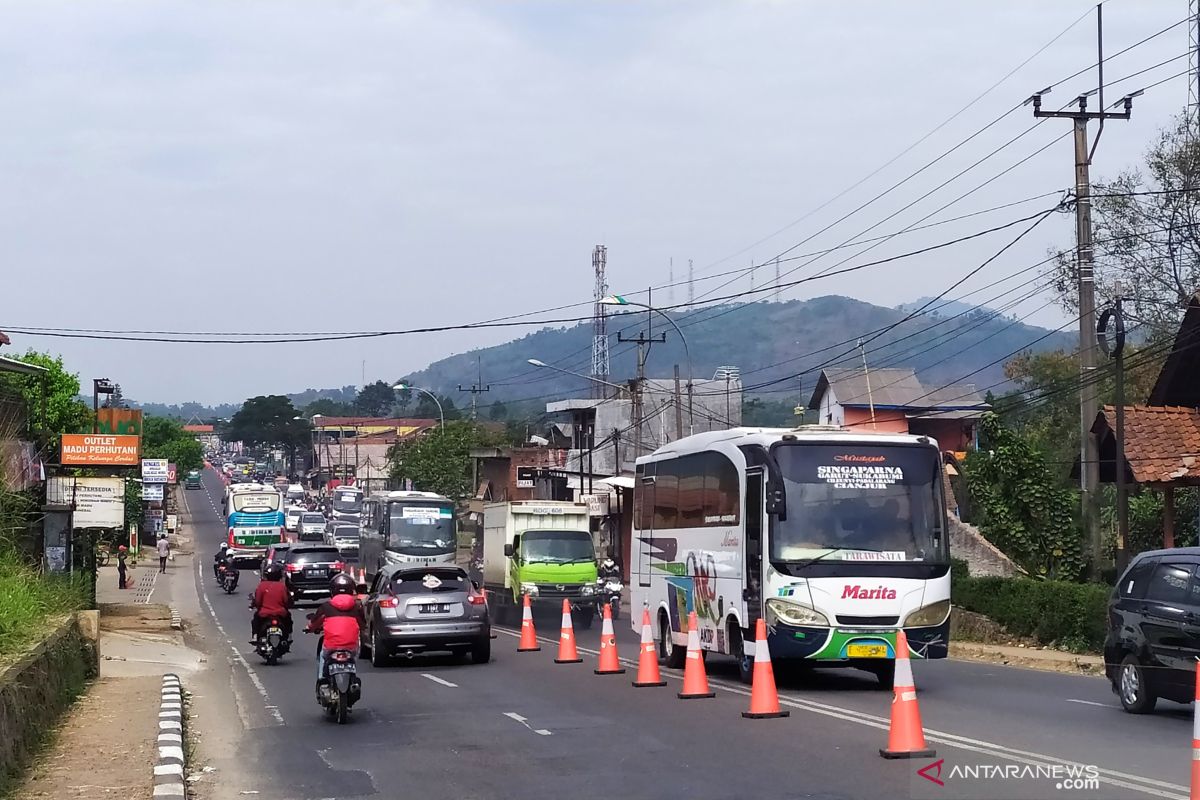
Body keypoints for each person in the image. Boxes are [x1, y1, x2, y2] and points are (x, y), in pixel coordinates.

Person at [306, 573, 364, 694]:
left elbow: (314, 623)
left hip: (331, 646)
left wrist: (309, 628)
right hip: (351, 647)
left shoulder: (326, 607)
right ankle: (352, 678)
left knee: (322, 656)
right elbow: (363, 624)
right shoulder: (357, 607)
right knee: (353, 657)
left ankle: (322, 680)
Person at [250, 563, 293, 642]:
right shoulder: (282, 586)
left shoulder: (262, 586)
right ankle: (289, 636)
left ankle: (255, 636)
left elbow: (258, 601)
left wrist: (254, 605)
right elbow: (286, 601)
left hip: (264, 614)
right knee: (288, 618)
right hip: (280, 614)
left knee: (255, 619)